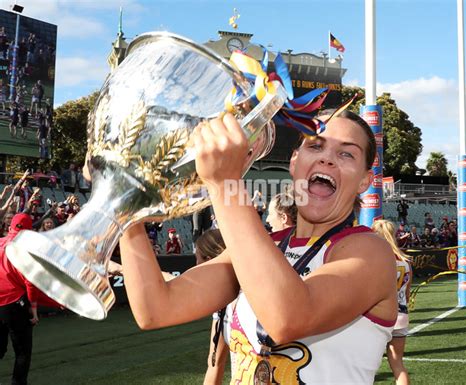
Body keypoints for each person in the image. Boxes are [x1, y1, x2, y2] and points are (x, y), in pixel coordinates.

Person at [119, 110, 397, 384]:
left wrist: (225, 183)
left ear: (364, 180)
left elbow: (287, 318)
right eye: (316, 145)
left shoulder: (371, 252)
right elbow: (157, 308)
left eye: (346, 153)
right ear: (294, 162)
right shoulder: (264, 247)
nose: (327, 158)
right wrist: (123, 207)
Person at [372, 219, 412, 385]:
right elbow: (407, 294)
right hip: (401, 315)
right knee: (398, 366)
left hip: (379, 316)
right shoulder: (406, 261)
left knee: (366, 367)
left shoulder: (376, 259)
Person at [0, 214, 38, 385]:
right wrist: (34, 311)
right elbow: (30, 283)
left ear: (10, 227)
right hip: (15, 305)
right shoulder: (24, 250)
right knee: (22, 352)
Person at [194, 229, 235, 384]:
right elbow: (214, 363)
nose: (196, 264)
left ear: (210, 260)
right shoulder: (221, 301)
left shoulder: (248, 296)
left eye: (197, 258)